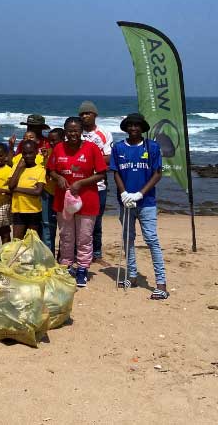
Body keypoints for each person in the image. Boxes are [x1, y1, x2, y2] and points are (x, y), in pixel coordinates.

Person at [110, 113, 168, 300]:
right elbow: (116, 173)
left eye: (137, 125)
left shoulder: (152, 147)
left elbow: (157, 174)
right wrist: (124, 193)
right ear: (126, 128)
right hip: (126, 203)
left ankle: (161, 284)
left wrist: (140, 194)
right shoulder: (118, 147)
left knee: (151, 240)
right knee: (128, 239)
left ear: (142, 128)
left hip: (147, 203)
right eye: (130, 125)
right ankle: (132, 276)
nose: (133, 128)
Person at [47, 116, 107, 287]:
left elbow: (102, 173)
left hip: (87, 199)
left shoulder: (92, 148)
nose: (73, 134)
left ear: (81, 132)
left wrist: (81, 183)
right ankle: (66, 266)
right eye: (69, 130)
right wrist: (57, 177)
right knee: (66, 235)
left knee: (84, 237)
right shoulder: (58, 148)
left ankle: (82, 268)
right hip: (63, 200)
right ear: (65, 132)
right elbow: (50, 170)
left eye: (76, 130)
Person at [79, 100, 113, 263]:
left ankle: (97, 253)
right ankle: (78, 252)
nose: (84, 116)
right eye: (82, 114)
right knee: (77, 220)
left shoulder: (104, 133)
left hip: (98, 184)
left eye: (87, 113)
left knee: (96, 220)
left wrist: (87, 160)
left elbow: (109, 157)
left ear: (95, 115)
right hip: (76, 185)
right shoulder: (74, 132)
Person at [8, 140, 45, 240]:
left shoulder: (40, 170)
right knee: (17, 240)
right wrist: (19, 168)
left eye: (30, 153)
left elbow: (38, 192)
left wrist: (17, 189)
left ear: (36, 152)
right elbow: (11, 186)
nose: (28, 156)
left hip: (34, 211)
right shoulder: (16, 167)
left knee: (31, 241)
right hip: (18, 210)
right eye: (25, 153)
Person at [41, 128, 64, 252]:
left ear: (62, 139)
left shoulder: (66, 152)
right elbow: (43, 172)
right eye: (50, 141)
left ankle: (63, 256)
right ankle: (48, 255)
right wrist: (44, 158)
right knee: (46, 224)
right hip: (47, 192)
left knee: (64, 227)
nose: (52, 143)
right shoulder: (46, 152)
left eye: (54, 140)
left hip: (62, 193)